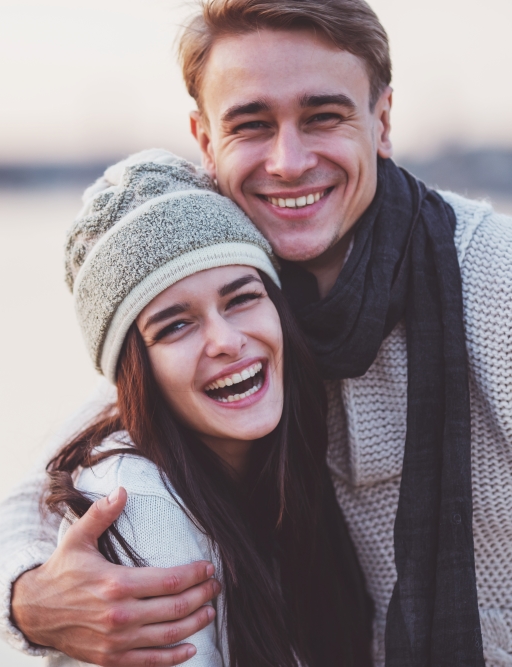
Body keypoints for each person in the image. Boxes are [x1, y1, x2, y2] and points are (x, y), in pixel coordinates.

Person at [0, 1, 512, 665]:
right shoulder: (229, 296)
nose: (289, 161)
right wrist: (27, 598)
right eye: (251, 125)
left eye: (322, 116)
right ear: (206, 142)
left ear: (382, 120)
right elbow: (44, 490)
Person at [42, 148, 372, 666]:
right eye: (176, 325)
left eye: (241, 298)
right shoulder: (137, 506)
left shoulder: (271, 470)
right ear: (136, 372)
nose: (226, 341)